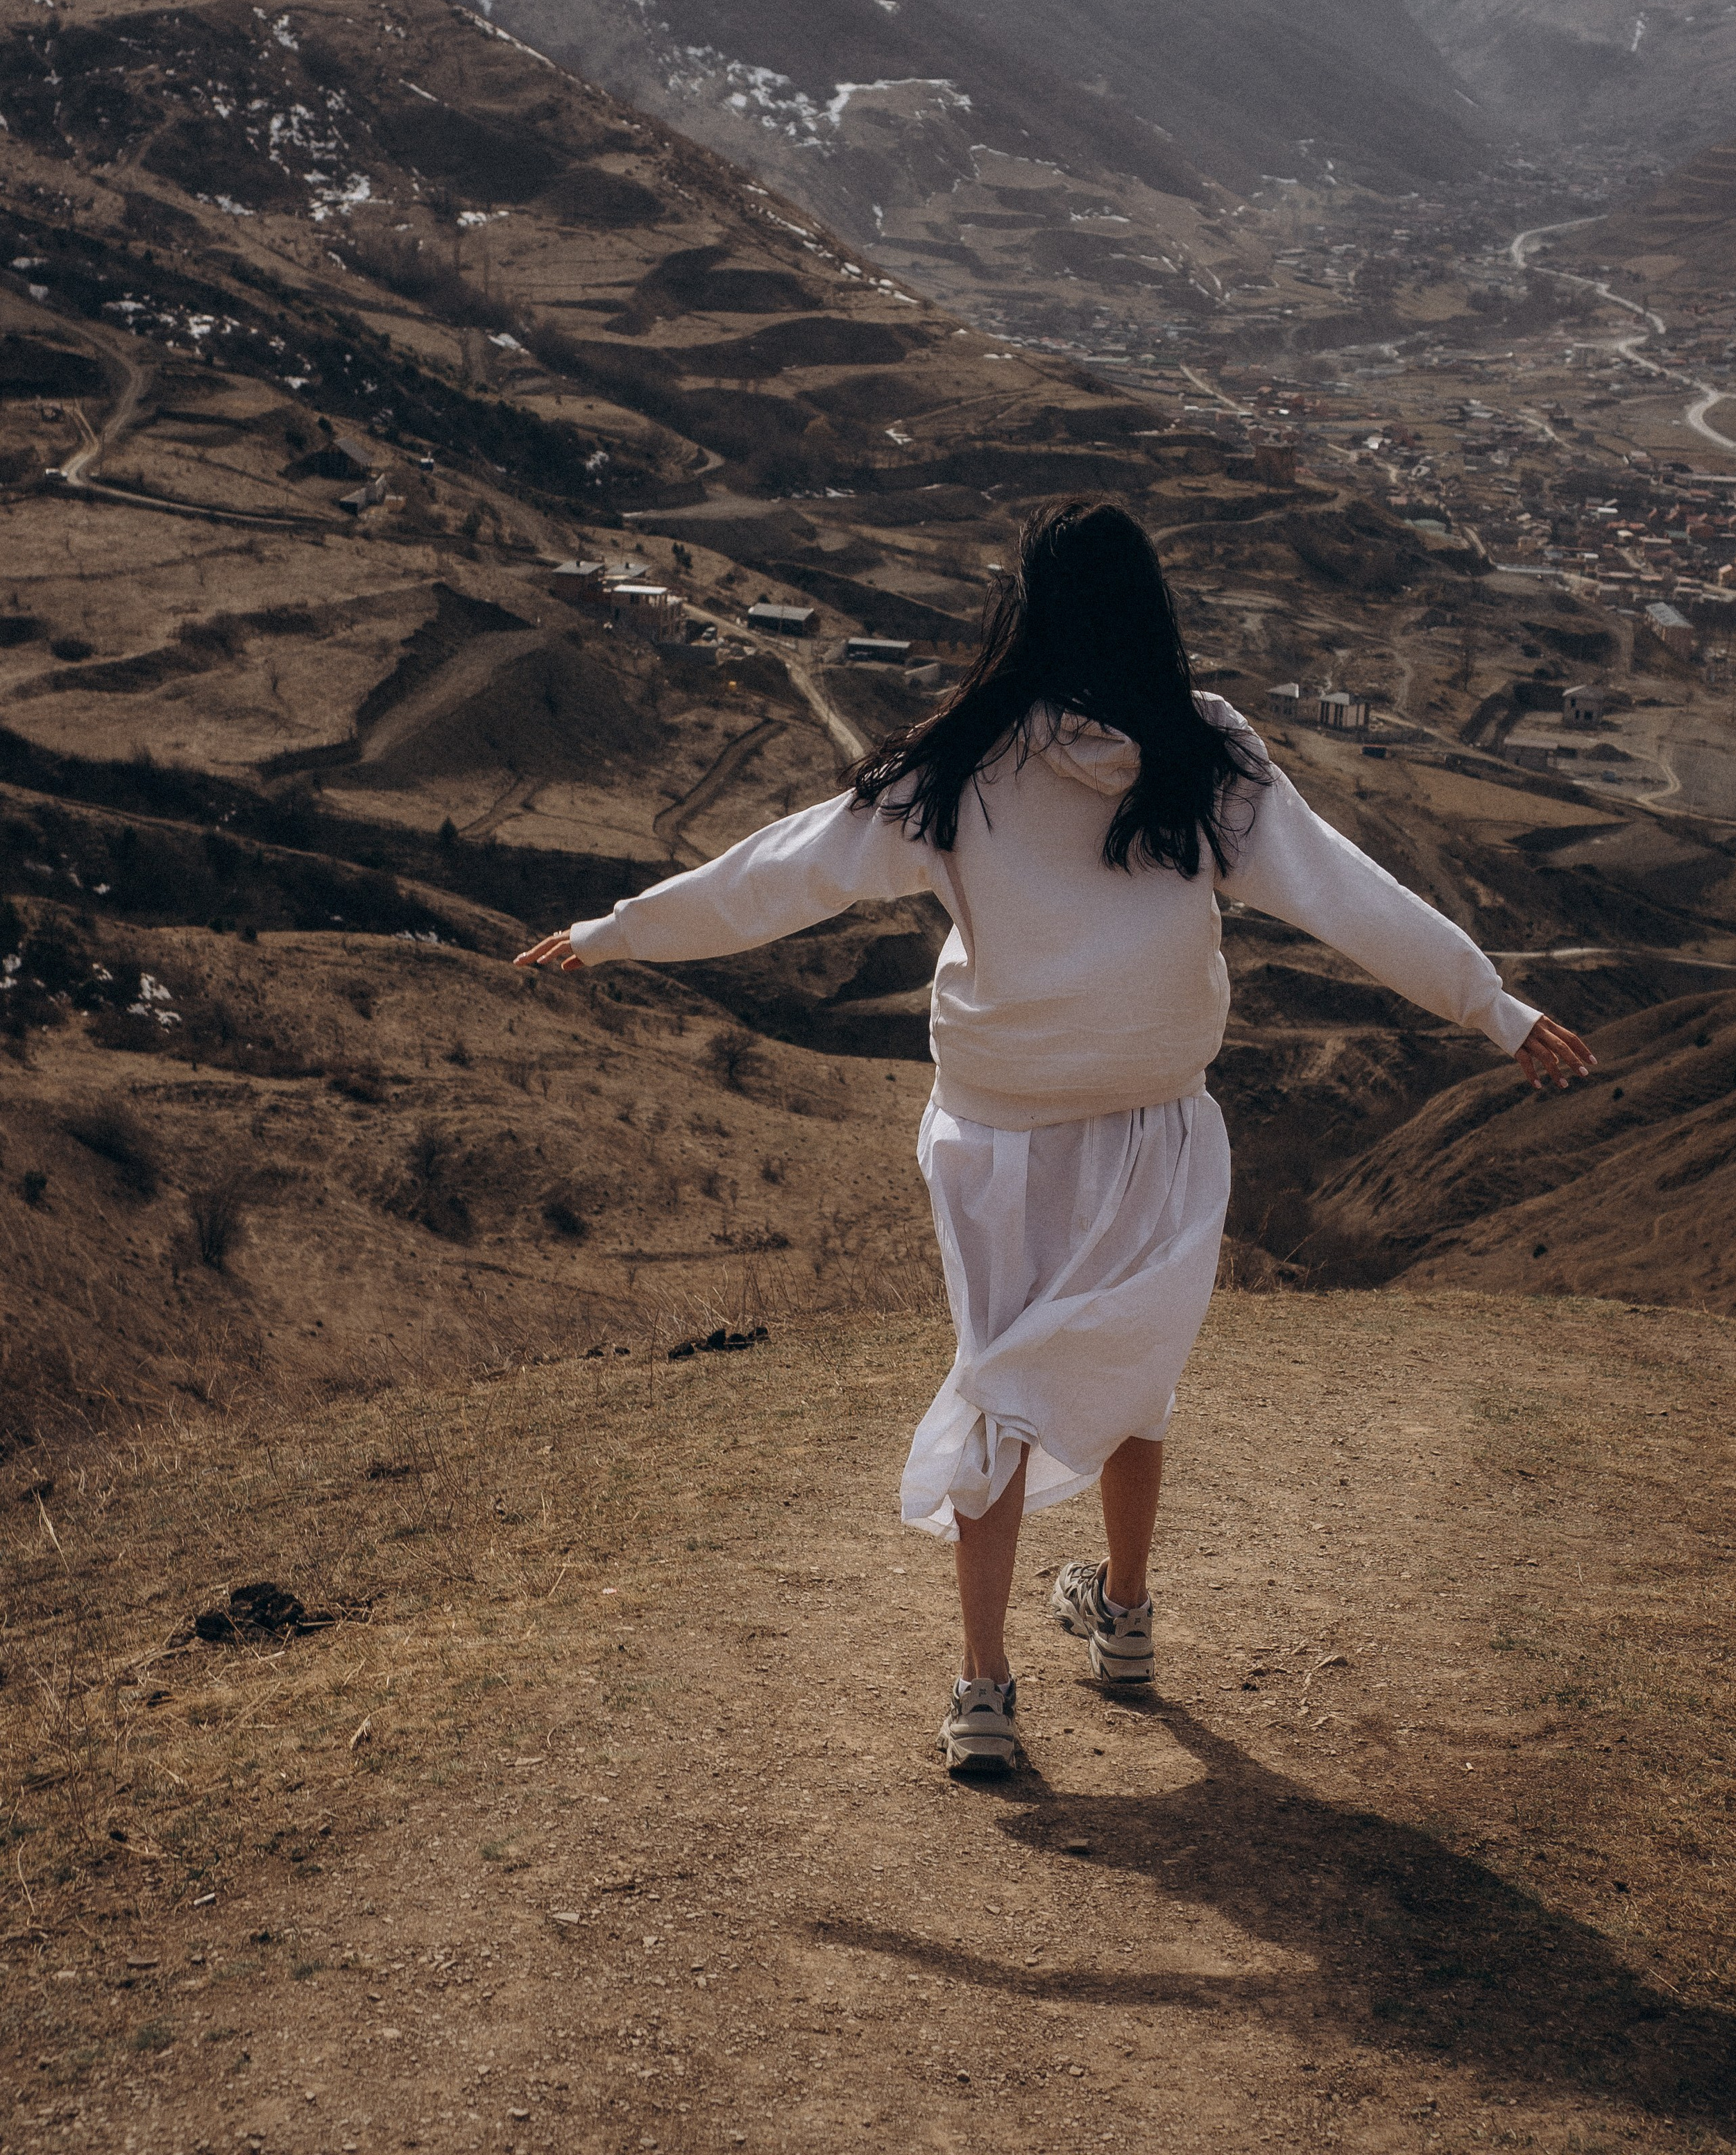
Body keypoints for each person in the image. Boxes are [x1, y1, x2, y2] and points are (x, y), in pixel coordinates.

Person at [516, 500, 1592, 1777]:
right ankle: (1124, 1624)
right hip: (1157, 1123)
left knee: (1001, 1377)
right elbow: (1353, 897)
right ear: (1150, 608)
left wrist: (617, 929)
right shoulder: (1204, 762)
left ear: (1023, 610)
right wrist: (1494, 1006)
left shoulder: (960, 762)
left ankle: (983, 1690)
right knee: (1133, 1363)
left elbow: (782, 875)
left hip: (995, 1133)